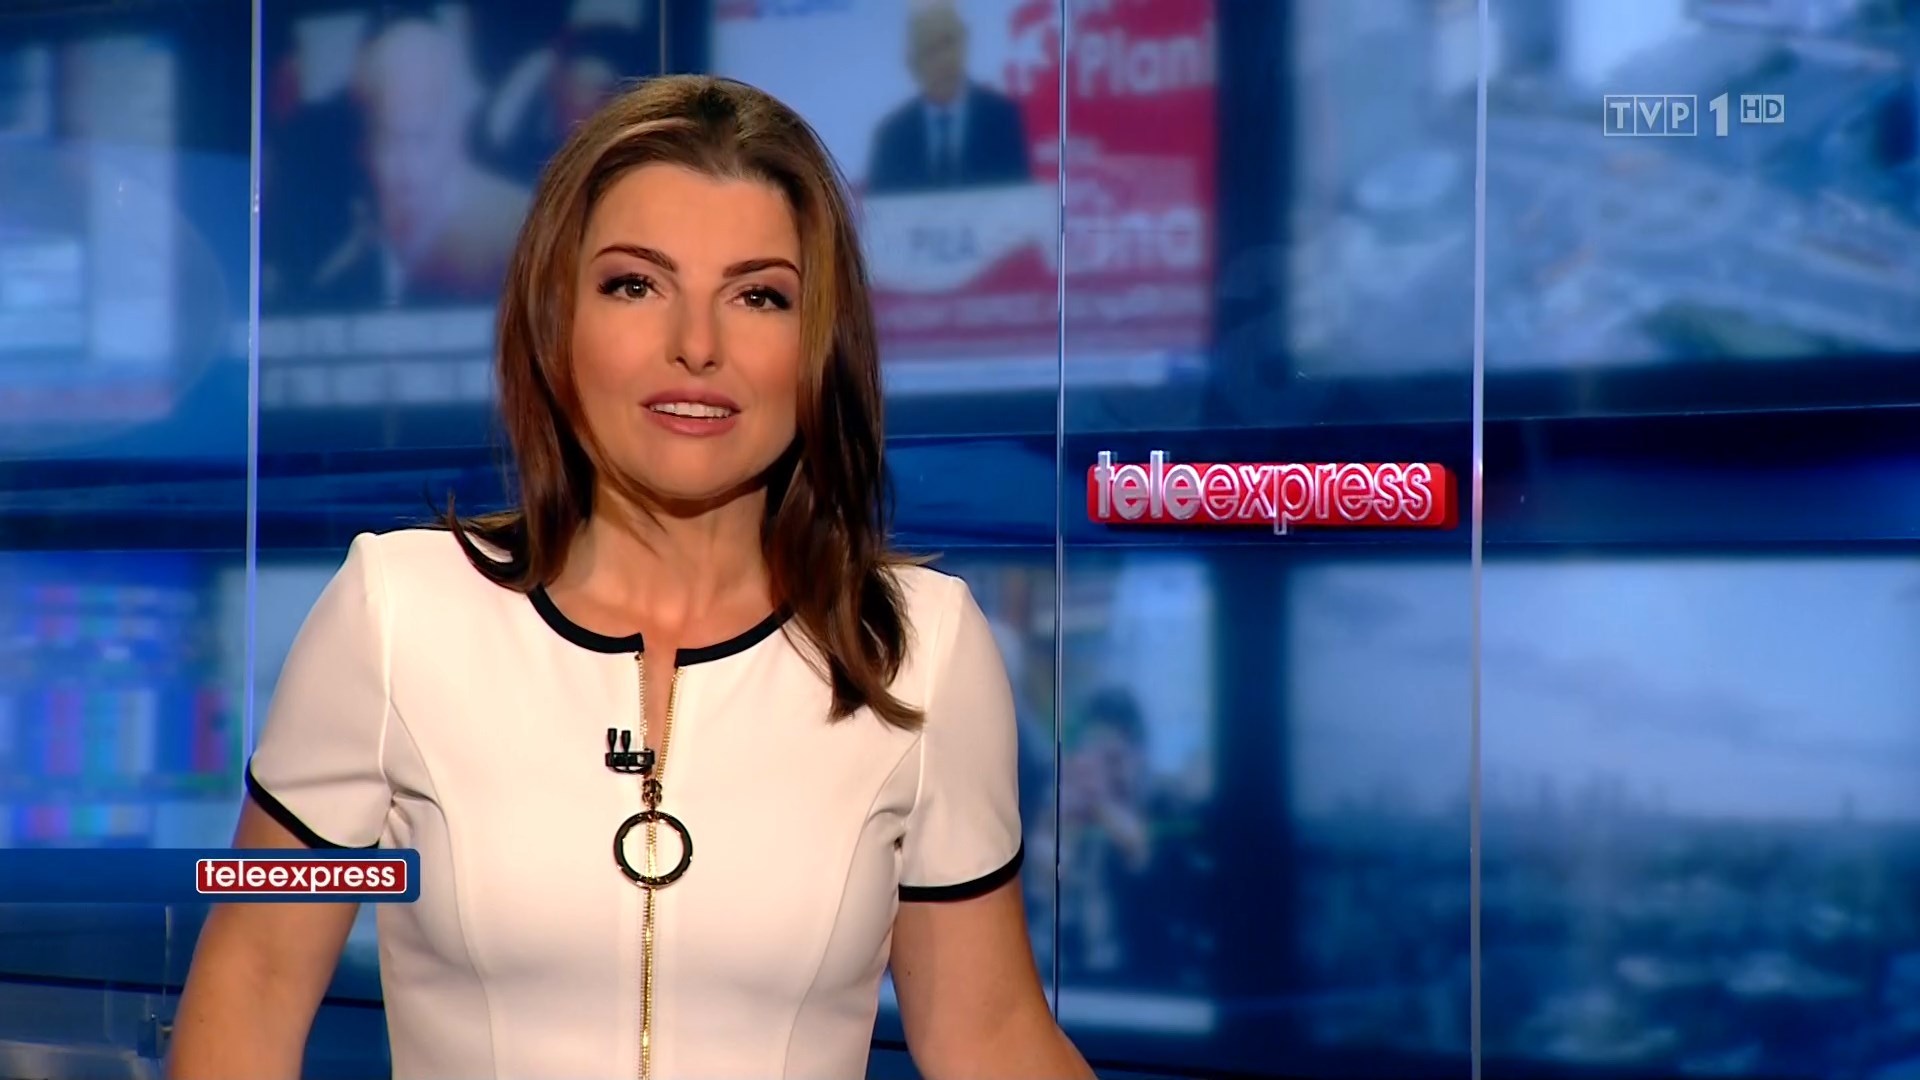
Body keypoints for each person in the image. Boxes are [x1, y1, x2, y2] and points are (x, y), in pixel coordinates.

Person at [165, 75, 1093, 1080]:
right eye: (635, 286)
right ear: (556, 319)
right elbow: (252, 982)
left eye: (758, 296)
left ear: (819, 345)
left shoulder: (917, 649)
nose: (696, 346)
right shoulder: (395, 614)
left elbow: (989, 1034)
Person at [867, 0, 1034, 194]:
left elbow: (1019, 201)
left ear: (965, 43)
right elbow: (880, 209)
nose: (944, 59)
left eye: (948, 42)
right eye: (930, 49)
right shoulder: (891, 137)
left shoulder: (1003, 120)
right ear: (912, 63)